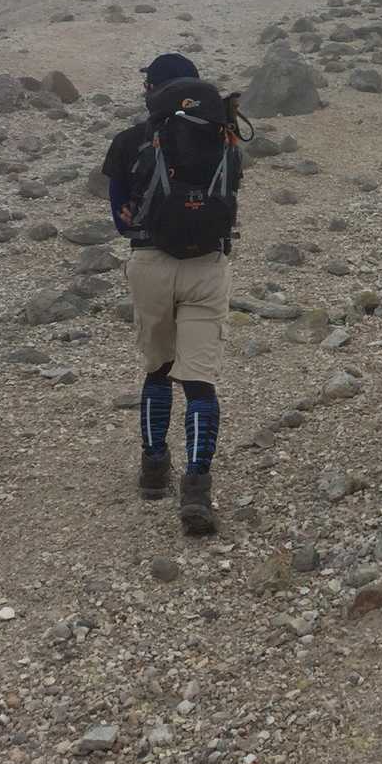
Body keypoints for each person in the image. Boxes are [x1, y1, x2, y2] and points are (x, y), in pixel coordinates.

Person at [102, 53, 241, 536]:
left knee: (158, 369)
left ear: (154, 90)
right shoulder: (223, 137)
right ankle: (197, 489)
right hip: (207, 266)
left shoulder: (130, 140)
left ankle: (154, 469)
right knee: (200, 382)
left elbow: (120, 217)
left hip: (151, 264)